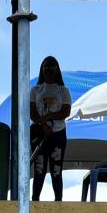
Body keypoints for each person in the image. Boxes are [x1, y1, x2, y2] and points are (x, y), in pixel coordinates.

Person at [30, 57, 71, 201]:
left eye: (52, 67)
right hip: (39, 134)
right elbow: (32, 112)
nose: (48, 70)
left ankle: (58, 201)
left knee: (56, 170)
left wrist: (48, 117)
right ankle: (35, 200)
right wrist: (43, 125)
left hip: (58, 134)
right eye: (45, 67)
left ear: (57, 70)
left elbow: (66, 112)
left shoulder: (64, 91)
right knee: (39, 169)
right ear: (41, 69)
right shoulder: (35, 90)